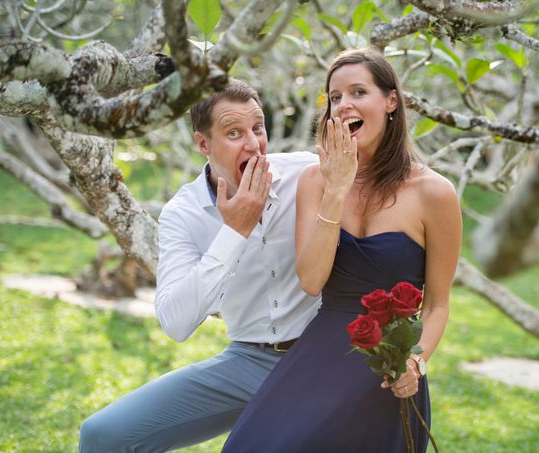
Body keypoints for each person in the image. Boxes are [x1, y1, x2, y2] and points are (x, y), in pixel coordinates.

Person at [222, 48, 462, 452]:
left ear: (390, 102)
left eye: (358, 91)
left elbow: (438, 305)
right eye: (335, 97)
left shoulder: (434, 193)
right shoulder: (315, 181)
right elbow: (312, 280)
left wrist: (415, 361)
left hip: (387, 368)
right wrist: (336, 188)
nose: (344, 104)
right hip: (321, 353)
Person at [78, 80, 321, 452]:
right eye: (234, 133)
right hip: (247, 359)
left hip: (323, 355)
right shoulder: (183, 212)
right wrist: (235, 231)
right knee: (103, 435)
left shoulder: (307, 173)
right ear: (204, 144)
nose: (254, 144)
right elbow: (175, 324)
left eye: (258, 128)